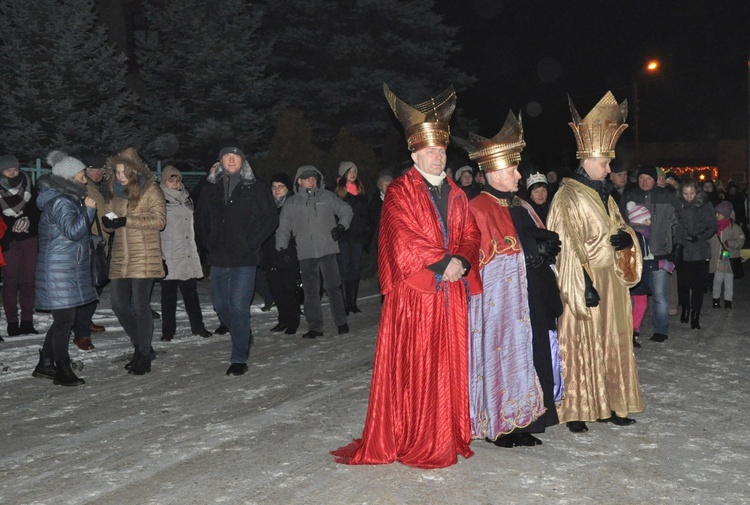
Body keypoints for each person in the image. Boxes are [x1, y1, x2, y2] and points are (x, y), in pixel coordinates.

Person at [331, 84, 481, 468]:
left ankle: (447, 431)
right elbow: (401, 238)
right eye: (430, 151)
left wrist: (462, 260)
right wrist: (441, 263)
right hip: (418, 297)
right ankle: (416, 433)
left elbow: (470, 233)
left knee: (449, 365)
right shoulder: (400, 191)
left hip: (452, 294)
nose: (437, 156)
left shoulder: (456, 192)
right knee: (420, 367)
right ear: (414, 153)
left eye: (441, 150)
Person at [454, 111, 562, 448]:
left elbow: (533, 241)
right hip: (500, 308)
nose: (519, 175)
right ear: (493, 173)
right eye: (513, 170)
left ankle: (527, 422)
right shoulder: (478, 207)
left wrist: (545, 251)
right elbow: (480, 258)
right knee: (503, 358)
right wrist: (523, 256)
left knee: (533, 356)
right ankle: (501, 425)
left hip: (530, 299)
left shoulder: (521, 204)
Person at [547, 91, 643, 433]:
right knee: (582, 343)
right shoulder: (567, 195)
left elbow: (621, 227)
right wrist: (581, 284)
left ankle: (616, 403)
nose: (609, 169)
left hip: (613, 280)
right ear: (588, 159)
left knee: (614, 340)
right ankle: (577, 408)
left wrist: (625, 240)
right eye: (605, 163)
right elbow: (563, 244)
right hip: (585, 282)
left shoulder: (605, 193)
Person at [195, 146, 278, 376]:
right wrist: (207, 243)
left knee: (239, 306)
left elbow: (270, 218)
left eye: (235, 157)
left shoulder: (256, 187)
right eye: (226, 157)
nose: (231, 160)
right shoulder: (210, 187)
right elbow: (200, 218)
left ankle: (239, 357)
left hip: (245, 257)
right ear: (220, 161)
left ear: (243, 161)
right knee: (221, 305)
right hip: (218, 256)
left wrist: (252, 242)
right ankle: (244, 334)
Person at [32, 151, 98, 386]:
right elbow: (73, 232)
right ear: (69, 177)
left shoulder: (65, 198)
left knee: (63, 320)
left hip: (65, 267)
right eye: (81, 175)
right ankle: (62, 369)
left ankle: (45, 364)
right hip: (59, 270)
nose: (85, 179)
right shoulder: (61, 201)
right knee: (64, 322)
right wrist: (89, 210)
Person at [103, 147, 166, 375]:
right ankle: (142, 347)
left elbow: (159, 220)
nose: (120, 176)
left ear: (134, 170)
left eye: (124, 172)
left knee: (140, 306)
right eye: (117, 172)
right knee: (118, 305)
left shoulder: (151, 189)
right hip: (121, 256)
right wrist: (108, 222)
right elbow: (110, 219)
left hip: (144, 255)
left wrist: (127, 220)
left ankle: (143, 354)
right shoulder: (115, 191)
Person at [276, 166, 351, 339]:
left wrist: (341, 226)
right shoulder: (292, 203)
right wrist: (280, 248)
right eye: (307, 178)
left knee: (333, 287)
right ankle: (315, 327)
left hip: (327, 249)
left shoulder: (327, 196)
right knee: (310, 292)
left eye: (314, 177)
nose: (312, 180)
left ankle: (341, 322)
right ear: (299, 181)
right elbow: (283, 228)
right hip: (306, 252)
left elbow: (346, 210)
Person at [620, 164, 682, 342]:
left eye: (647, 178)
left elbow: (679, 222)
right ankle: (632, 329)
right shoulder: (630, 195)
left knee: (660, 293)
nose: (644, 181)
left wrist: (677, 245)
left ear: (655, 180)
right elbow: (619, 221)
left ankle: (661, 329)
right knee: (636, 294)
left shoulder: (667, 196)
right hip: (636, 252)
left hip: (661, 250)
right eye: (641, 178)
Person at [159, 165, 211, 342]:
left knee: (191, 294)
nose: (175, 183)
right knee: (168, 296)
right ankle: (167, 331)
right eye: (170, 180)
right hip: (168, 253)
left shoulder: (187, 197)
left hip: (187, 252)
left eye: (177, 179)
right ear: (164, 181)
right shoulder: (159, 199)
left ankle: (198, 327)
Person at [69, 153, 109, 351]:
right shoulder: (87, 190)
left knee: (96, 286)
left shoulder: (94, 189)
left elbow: (101, 212)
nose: (103, 173)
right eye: (101, 170)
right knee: (90, 288)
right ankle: (81, 333)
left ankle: (85, 323)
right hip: (91, 246)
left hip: (97, 244)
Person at [0, 154, 41, 336]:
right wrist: (12, 228)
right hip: (9, 241)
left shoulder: (28, 184)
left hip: (29, 238)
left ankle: (27, 321)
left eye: (15, 168)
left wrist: (27, 220)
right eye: (8, 169)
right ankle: (11, 324)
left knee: (28, 282)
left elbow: (36, 209)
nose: (12, 172)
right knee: (10, 283)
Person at [676, 178, 717, 329]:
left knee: (698, 286)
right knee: (684, 284)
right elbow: (676, 225)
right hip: (684, 250)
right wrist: (678, 244)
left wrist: (699, 236)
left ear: (696, 192)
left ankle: (695, 315)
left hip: (700, 250)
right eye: (686, 194)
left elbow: (712, 226)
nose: (689, 197)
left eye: (691, 193)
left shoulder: (705, 205)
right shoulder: (679, 205)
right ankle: (686, 308)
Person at [264, 173, 300, 335]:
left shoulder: (293, 205)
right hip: (271, 254)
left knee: (289, 290)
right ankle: (282, 320)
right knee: (276, 290)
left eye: (281, 187)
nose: (277, 190)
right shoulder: (268, 206)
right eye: (274, 186)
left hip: (289, 253)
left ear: (288, 189)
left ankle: (292, 321)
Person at [334, 161, 368, 315]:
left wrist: (365, 231)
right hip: (344, 237)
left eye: (355, 170)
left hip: (358, 237)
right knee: (344, 270)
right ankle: (343, 305)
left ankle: (352, 303)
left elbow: (365, 215)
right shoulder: (337, 192)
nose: (353, 174)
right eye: (349, 171)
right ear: (343, 174)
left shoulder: (361, 191)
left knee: (355, 269)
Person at [710, 200, 745, 309]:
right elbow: (709, 241)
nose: (716, 215)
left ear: (725, 215)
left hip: (729, 259)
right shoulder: (714, 227)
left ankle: (728, 301)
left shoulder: (734, 228)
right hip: (718, 260)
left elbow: (740, 241)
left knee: (729, 282)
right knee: (717, 280)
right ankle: (715, 300)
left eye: (718, 213)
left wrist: (730, 243)